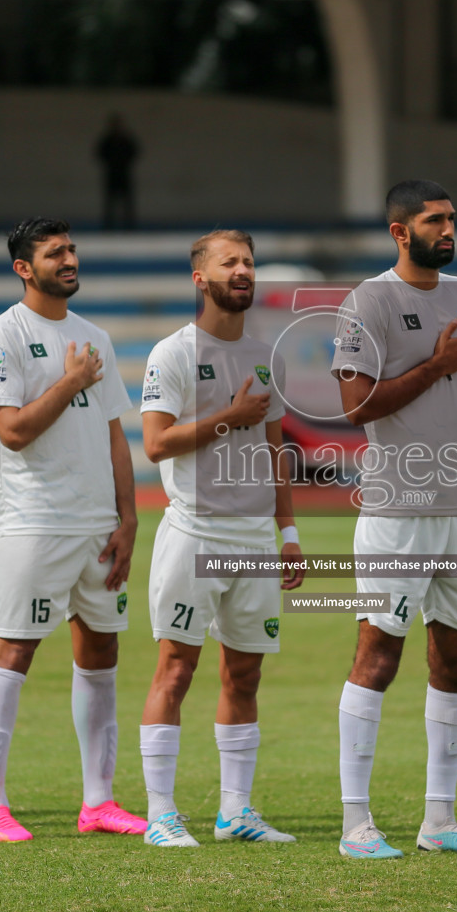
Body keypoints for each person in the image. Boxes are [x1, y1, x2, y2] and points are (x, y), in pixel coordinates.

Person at [333, 179, 457, 860]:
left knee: (456, 655)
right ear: (398, 231)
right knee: (378, 655)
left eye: (451, 219)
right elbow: (355, 406)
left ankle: (439, 821)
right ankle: (358, 823)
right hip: (396, 513)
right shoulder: (367, 302)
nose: (447, 229)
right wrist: (435, 362)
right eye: (434, 219)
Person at [0, 216, 143, 842]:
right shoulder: (1, 336)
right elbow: (11, 432)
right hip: (34, 521)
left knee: (102, 652)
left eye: (71, 250)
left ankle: (98, 801)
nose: (68, 259)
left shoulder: (93, 335)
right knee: (15, 651)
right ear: (24, 268)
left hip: (98, 523)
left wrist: (128, 519)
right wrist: (70, 381)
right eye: (54, 253)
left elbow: (114, 432)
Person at [136, 229, 304, 847]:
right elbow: (155, 443)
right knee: (175, 670)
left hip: (257, 538)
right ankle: (161, 814)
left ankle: (236, 813)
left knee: (245, 675)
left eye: (249, 262)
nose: (243, 270)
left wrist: (287, 531)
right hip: (195, 531)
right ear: (199, 277)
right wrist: (226, 418)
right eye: (229, 262)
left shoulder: (268, 357)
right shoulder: (173, 353)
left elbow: (274, 448)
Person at [94, 116, 139, 231]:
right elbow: (100, 153)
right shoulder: (108, 140)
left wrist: (124, 162)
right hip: (112, 173)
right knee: (110, 201)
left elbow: (134, 151)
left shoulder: (125, 140)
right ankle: (109, 225)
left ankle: (129, 225)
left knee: (127, 200)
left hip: (124, 172)